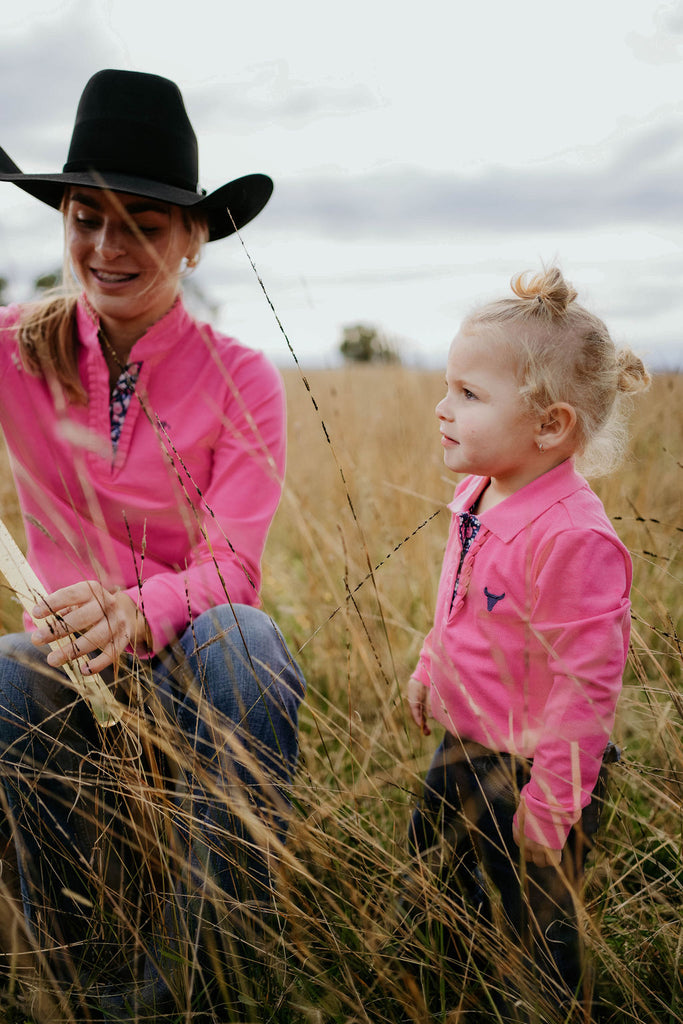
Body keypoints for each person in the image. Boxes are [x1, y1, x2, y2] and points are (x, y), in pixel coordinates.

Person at [0, 69, 305, 1020]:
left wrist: (136, 610)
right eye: (86, 216)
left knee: (247, 642)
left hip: (189, 674)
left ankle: (200, 971)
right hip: (67, 674)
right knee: (5, 671)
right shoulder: (18, 346)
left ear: (195, 239)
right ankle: (65, 959)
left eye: (143, 220)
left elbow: (233, 566)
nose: (107, 245)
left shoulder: (244, 379)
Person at [404, 267, 649, 1021]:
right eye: (448, 387)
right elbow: (457, 609)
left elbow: (584, 691)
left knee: (534, 924)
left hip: (542, 769)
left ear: (550, 426)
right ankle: (437, 988)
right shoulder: (479, 491)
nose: (442, 410)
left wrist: (550, 809)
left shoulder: (574, 538)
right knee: (434, 883)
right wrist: (428, 667)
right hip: (463, 745)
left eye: (469, 396)